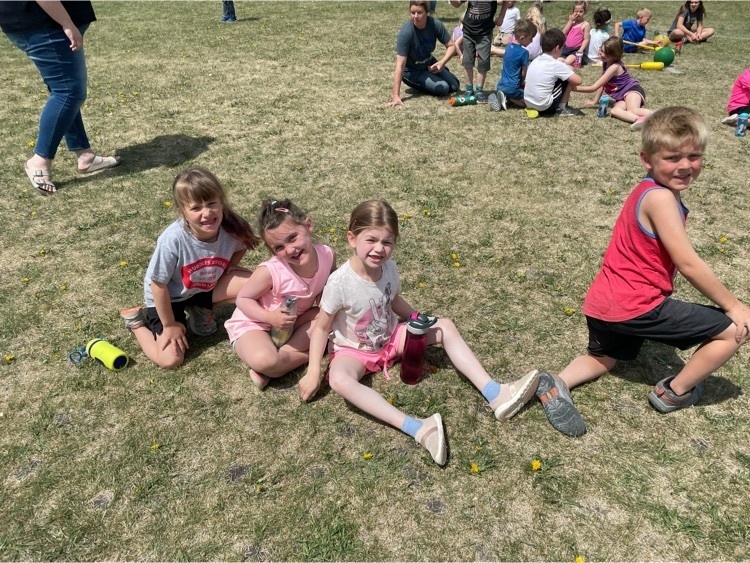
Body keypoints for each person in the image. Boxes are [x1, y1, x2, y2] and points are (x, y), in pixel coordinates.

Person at [532, 107, 750, 437]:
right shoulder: (661, 199)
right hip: (637, 305)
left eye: (694, 156)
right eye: (672, 157)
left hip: (604, 303)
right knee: (733, 330)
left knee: (604, 358)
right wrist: (734, 306)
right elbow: (689, 264)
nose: (685, 166)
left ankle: (557, 383)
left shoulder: (647, 190)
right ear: (646, 159)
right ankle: (674, 392)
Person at [301, 200, 540, 465]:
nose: (379, 249)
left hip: (390, 339)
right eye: (371, 240)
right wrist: (313, 372)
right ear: (351, 239)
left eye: (387, 242)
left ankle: (496, 393)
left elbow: (393, 300)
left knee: (445, 326)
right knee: (339, 380)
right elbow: (321, 327)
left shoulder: (389, 268)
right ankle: (420, 428)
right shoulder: (339, 283)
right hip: (354, 351)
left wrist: (417, 318)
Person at [120, 168, 258, 369]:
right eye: (196, 208)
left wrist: (230, 267)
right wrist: (169, 325)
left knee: (256, 285)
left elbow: (242, 245)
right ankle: (136, 323)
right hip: (168, 298)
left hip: (201, 288)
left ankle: (201, 310)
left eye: (211, 203)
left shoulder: (232, 228)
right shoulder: (173, 239)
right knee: (171, 360)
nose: (206, 213)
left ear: (221, 201)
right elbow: (158, 285)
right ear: (182, 211)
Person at [0, 0, 121, 195]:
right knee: (68, 93)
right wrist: (66, 22)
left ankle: (85, 155)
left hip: (49, 20)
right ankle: (39, 160)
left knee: (64, 90)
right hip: (44, 22)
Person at [226, 199, 336, 390]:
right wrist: (269, 317)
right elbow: (242, 299)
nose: (290, 250)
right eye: (279, 247)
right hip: (254, 324)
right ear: (272, 251)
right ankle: (288, 362)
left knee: (333, 317)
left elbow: (329, 289)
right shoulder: (270, 271)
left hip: (293, 323)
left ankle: (278, 363)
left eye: (292, 238)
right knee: (265, 360)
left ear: (308, 225)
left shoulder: (327, 255)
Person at [388, 1, 460, 107]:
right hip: (412, 71)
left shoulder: (435, 24)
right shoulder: (406, 34)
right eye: (413, 12)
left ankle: (434, 76)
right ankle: (424, 81)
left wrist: (442, 62)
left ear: (427, 12)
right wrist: (396, 96)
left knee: (455, 86)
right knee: (443, 88)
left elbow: (451, 46)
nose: (415, 16)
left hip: (429, 64)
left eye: (419, 12)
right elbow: (400, 65)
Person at [576, 37, 654, 130]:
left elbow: (593, 87)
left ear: (615, 55)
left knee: (633, 110)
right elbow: (602, 83)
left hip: (632, 90)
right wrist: (595, 101)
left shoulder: (615, 66)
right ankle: (639, 120)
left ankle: (660, 116)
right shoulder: (606, 62)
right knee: (614, 111)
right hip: (622, 97)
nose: (601, 54)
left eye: (606, 53)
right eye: (601, 50)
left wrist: (573, 88)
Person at [449, 0, 508, 103]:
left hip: (485, 32)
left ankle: (479, 90)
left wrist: (502, 15)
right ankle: (469, 89)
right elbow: (457, 4)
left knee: (483, 61)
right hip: (468, 30)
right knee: (467, 61)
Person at [524, 28, 583, 117]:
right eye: (562, 48)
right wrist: (569, 69)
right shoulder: (556, 64)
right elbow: (578, 81)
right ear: (557, 48)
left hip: (528, 102)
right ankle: (562, 108)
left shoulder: (535, 60)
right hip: (544, 106)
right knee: (567, 79)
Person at [491, 19, 537, 110]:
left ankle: (503, 97)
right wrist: (523, 83)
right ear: (522, 38)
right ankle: (508, 98)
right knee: (528, 103)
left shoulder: (508, 47)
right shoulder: (524, 53)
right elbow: (523, 73)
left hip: (501, 85)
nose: (532, 41)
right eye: (530, 39)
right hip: (513, 88)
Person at [559, 0, 590, 67]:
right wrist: (570, 21)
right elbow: (563, 32)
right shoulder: (571, 22)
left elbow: (586, 39)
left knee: (567, 62)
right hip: (566, 48)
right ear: (573, 12)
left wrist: (581, 49)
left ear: (584, 12)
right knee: (558, 61)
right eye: (576, 11)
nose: (578, 13)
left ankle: (578, 61)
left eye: (581, 11)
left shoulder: (585, 24)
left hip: (575, 50)